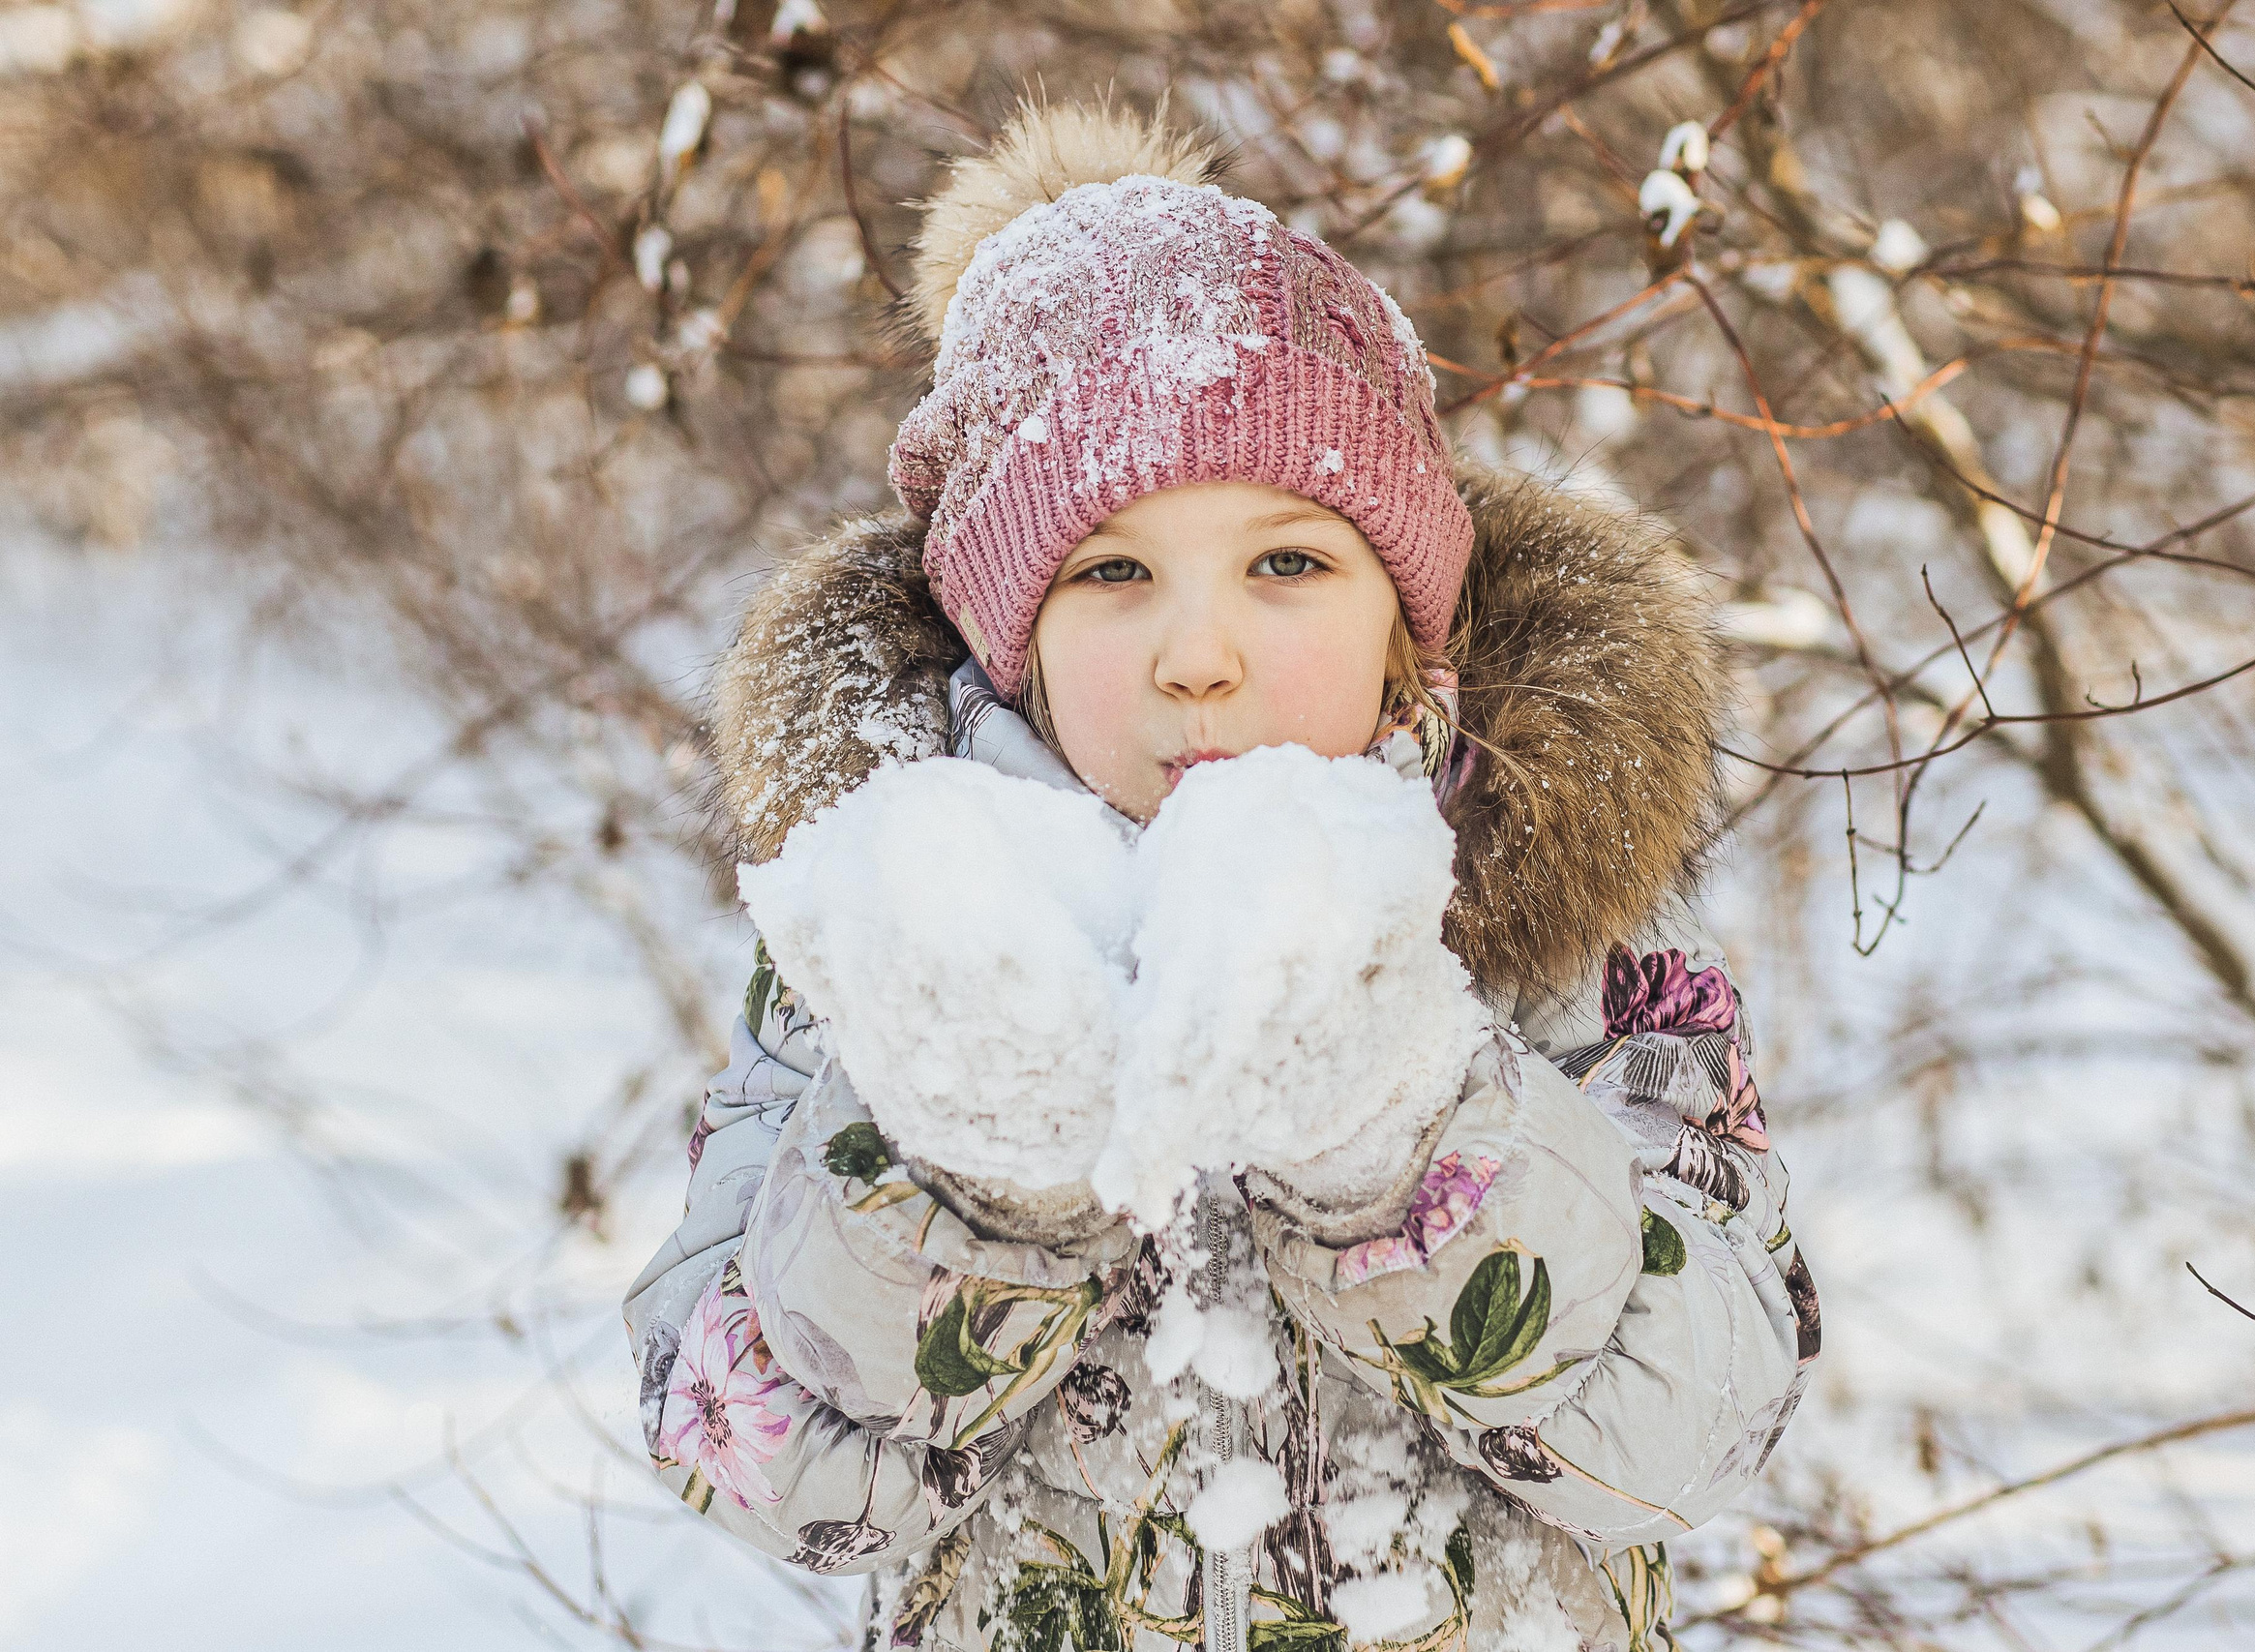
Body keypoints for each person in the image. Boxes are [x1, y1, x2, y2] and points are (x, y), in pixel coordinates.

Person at [623, 98, 1820, 1652]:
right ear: (1014, 641)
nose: (1203, 658)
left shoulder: (1549, 940)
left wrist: (1408, 1131)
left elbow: (1703, 1425)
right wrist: (965, 1164)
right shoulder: (893, 939)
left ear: (1408, 617)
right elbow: (751, 1449)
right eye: (1112, 573)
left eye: (1288, 565)